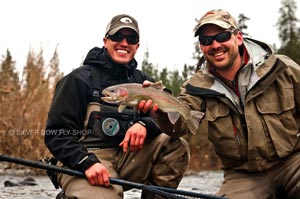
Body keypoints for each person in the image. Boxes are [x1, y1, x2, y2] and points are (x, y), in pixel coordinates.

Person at [138, 9, 300, 199]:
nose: (215, 45)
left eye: (222, 36)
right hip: (243, 175)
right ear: (201, 47)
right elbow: (179, 127)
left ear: (238, 38)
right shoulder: (196, 87)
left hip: (293, 162)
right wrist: (160, 110)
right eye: (206, 41)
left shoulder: (281, 68)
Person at [44, 14, 190, 199]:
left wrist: (147, 123)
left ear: (137, 46)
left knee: (175, 145)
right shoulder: (78, 80)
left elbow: (170, 118)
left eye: (131, 39)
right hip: (82, 161)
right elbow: (55, 135)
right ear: (105, 41)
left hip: (128, 158)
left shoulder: (143, 82)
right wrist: (86, 162)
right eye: (117, 37)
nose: (124, 43)